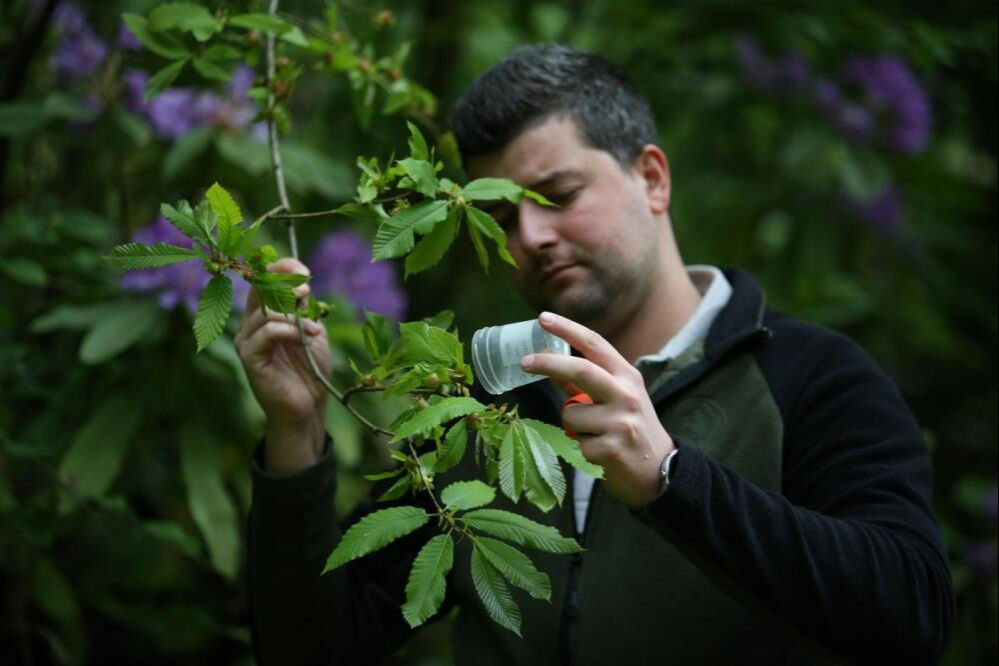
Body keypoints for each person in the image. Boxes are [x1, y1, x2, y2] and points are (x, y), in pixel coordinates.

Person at [237, 44, 954, 665]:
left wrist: (672, 481)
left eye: (557, 194)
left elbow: (910, 620)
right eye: (501, 217)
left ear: (651, 178)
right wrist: (296, 434)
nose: (530, 236)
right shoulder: (482, 406)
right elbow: (315, 651)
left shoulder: (810, 377)